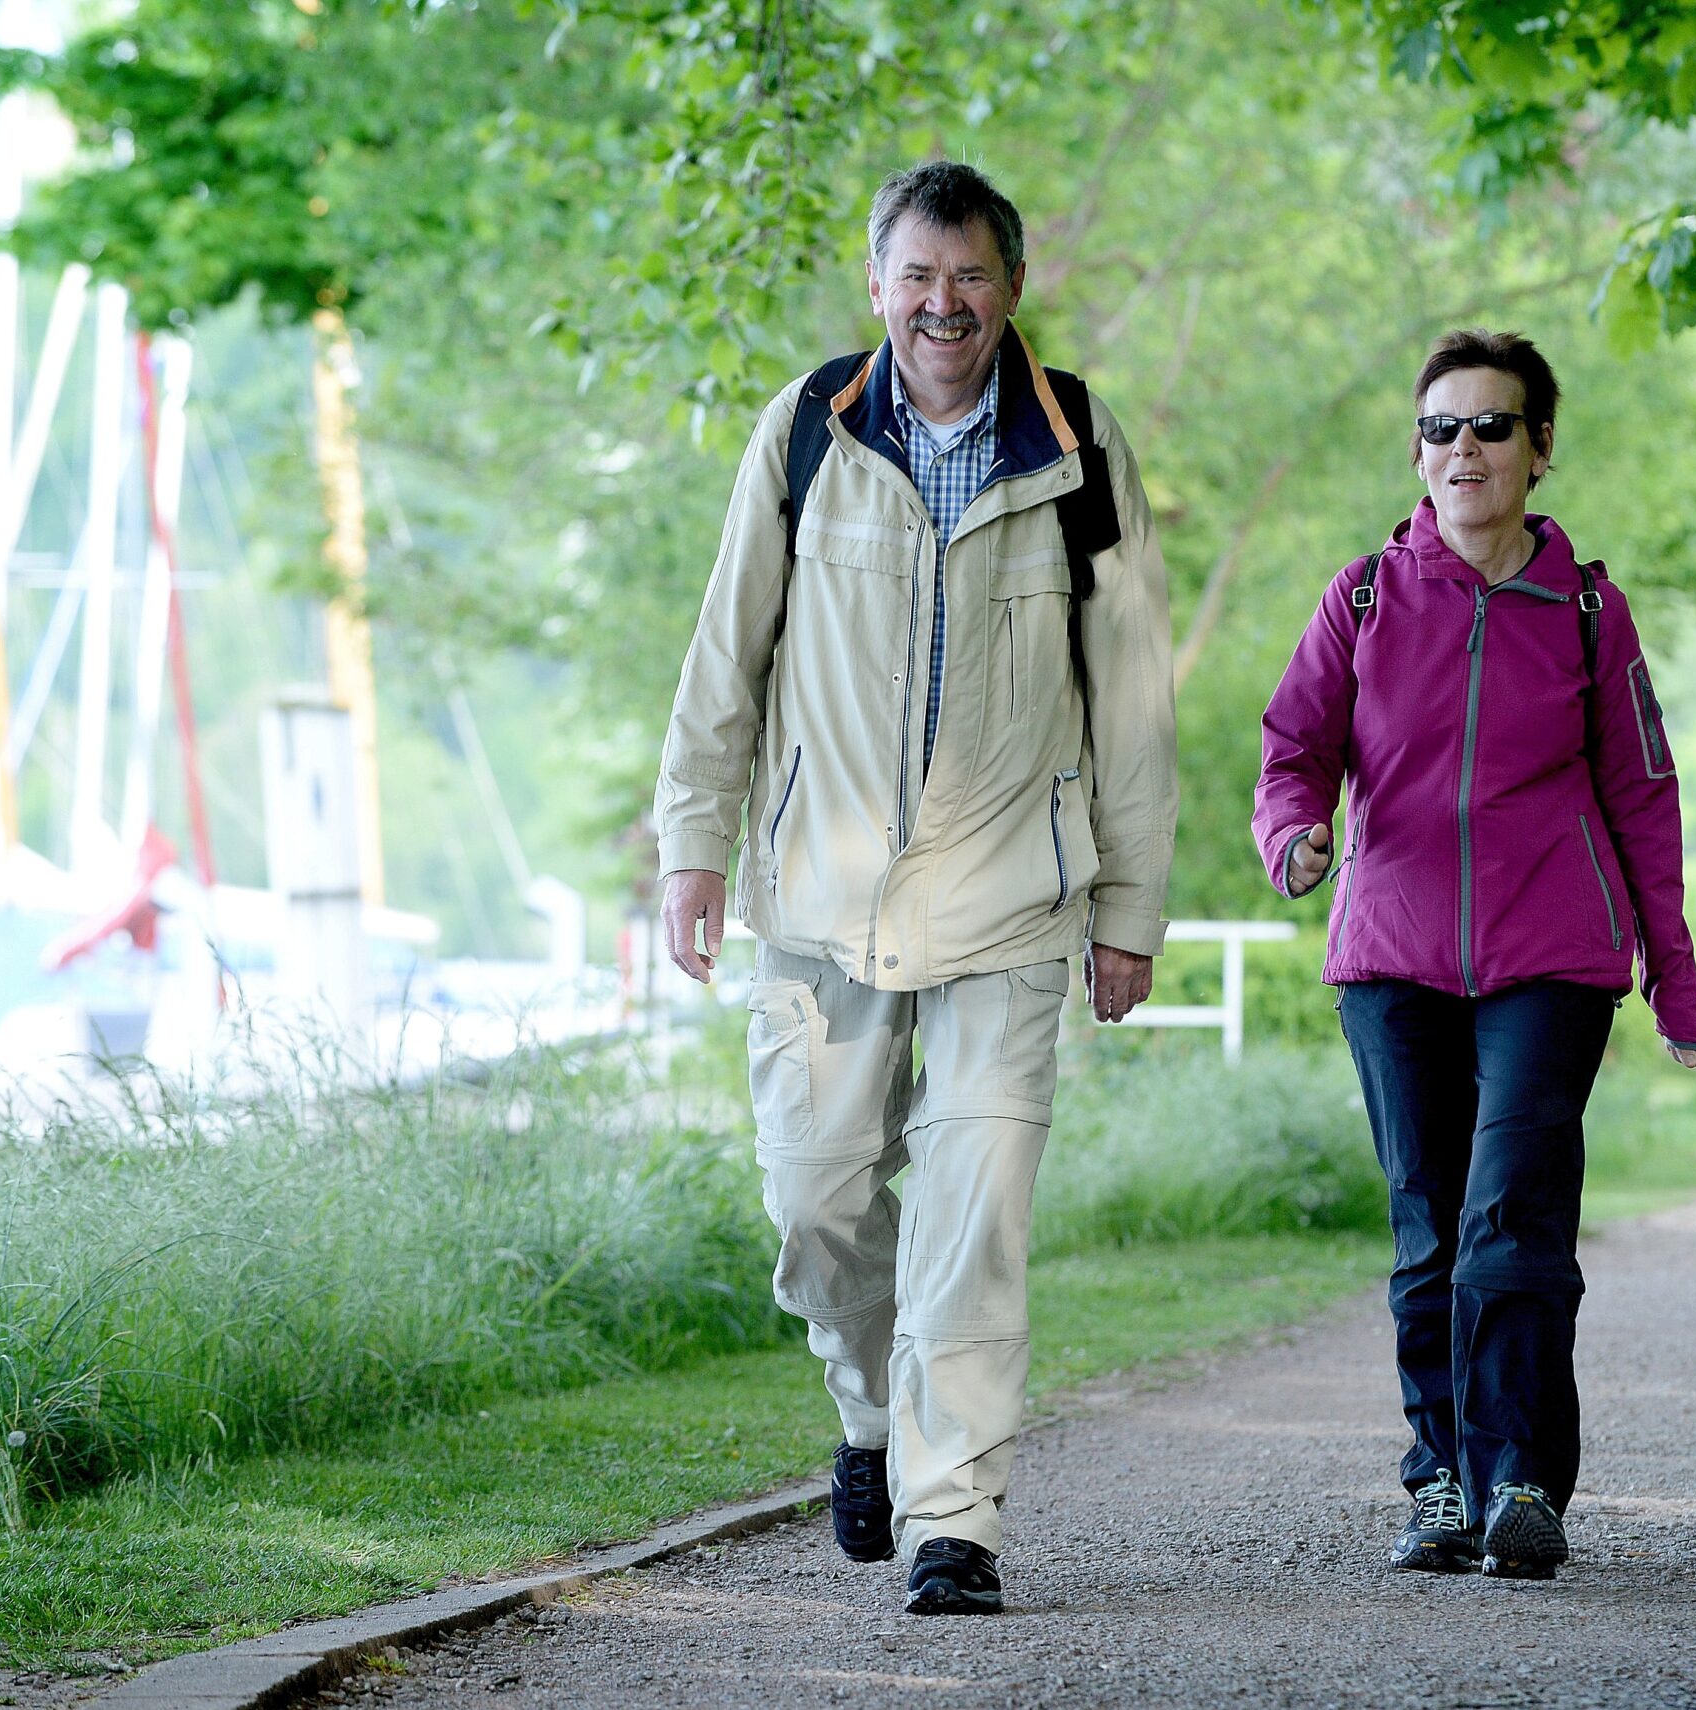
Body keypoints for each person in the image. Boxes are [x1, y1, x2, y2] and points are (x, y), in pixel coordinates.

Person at [655, 161, 1178, 1617]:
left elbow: (1130, 696)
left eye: (971, 277)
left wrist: (1129, 904)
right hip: (819, 898)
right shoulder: (809, 430)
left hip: (1013, 899)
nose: (943, 304)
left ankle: (958, 1518)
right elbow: (726, 653)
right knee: (817, 1204)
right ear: (878, 285)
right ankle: (873, 1421)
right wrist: (693, 842)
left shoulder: (1078, 444)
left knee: (974, 1210)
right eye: (918, 277)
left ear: (1012, 287)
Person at [1251, 329, 1696, 1582]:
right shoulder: (1358, 599)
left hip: (1551, 961)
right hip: (1391, 958)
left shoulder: (1585, 611)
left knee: (1511, 1221)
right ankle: (1440, 1481)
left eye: (1491, 426)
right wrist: (1292, 834)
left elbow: (1641, 795)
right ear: (1418, 451)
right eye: (1440, 428)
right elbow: (1291, 749)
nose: (1464, 449)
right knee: (1426, 1232)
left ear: (1539, 448)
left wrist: (1672, 974)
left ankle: (1522, 1483)